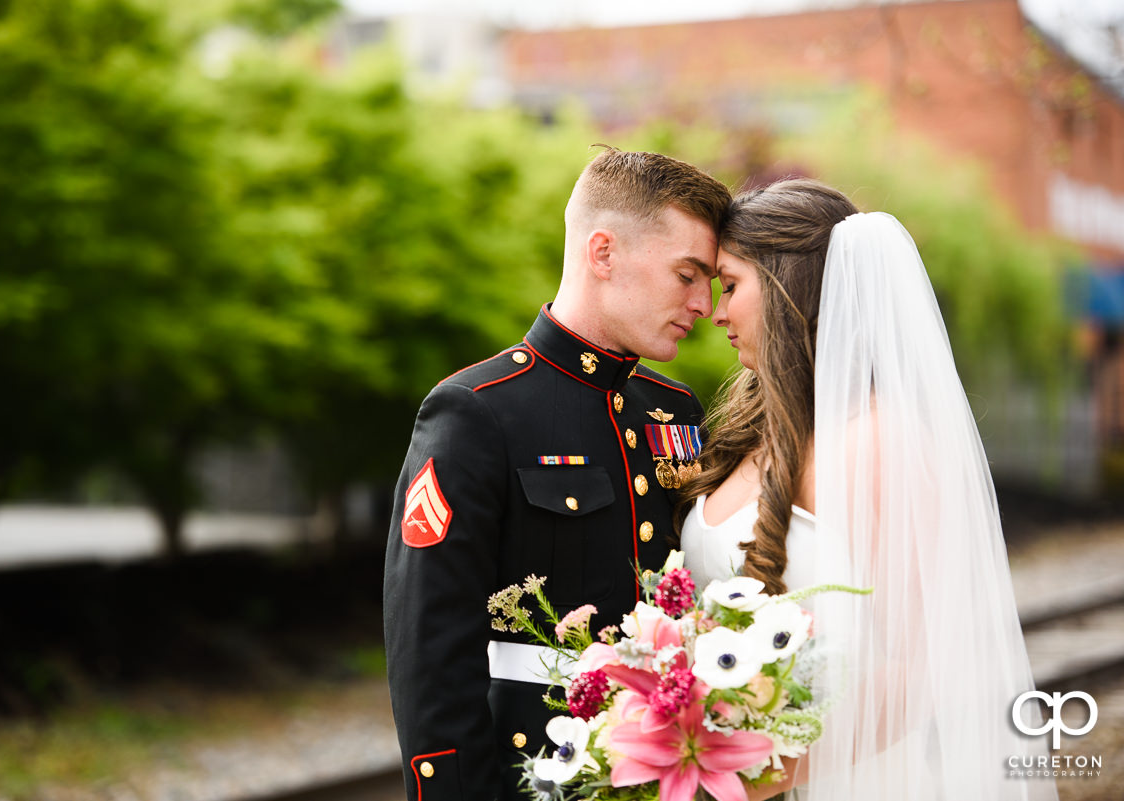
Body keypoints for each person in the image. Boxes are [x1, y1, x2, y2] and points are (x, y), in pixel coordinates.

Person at [677, 178, 1058, 801]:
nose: (716, 312)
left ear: (784, 289)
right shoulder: (750, 430)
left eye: (730, 285)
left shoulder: (880, 442)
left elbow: (925, 670)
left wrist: (743, 780)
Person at [383, 147, 733, 801]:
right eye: (688, 274)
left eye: (711, 280)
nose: (704, 303)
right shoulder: (477, 411)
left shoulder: (674, 408)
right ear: (603, 253)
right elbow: (428, 653)